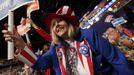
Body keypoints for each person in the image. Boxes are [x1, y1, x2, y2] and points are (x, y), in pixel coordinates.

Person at [2, 5, 134, 75]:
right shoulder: (56, 46)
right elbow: (41, 63)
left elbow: (116, 59)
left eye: (60, 21)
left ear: (70, 23)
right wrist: (22, 46)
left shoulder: (89, 35)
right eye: (53, 25)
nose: (56, 26)